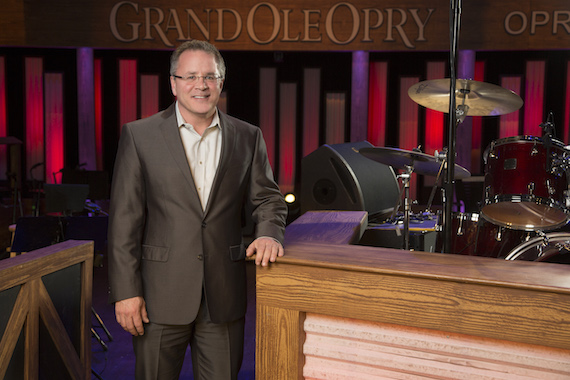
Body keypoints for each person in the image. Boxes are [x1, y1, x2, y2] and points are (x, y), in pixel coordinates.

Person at [107, 39, 287, 380]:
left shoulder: (248, 136)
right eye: (190, 76)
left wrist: (268, 233)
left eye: (209, 76)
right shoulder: (139, 136)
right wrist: (126, 292)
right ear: (173, 83)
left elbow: (269, 199)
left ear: (221, 82)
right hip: (158, 296)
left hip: (224, 294)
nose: (200, 85)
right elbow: (124, 221)